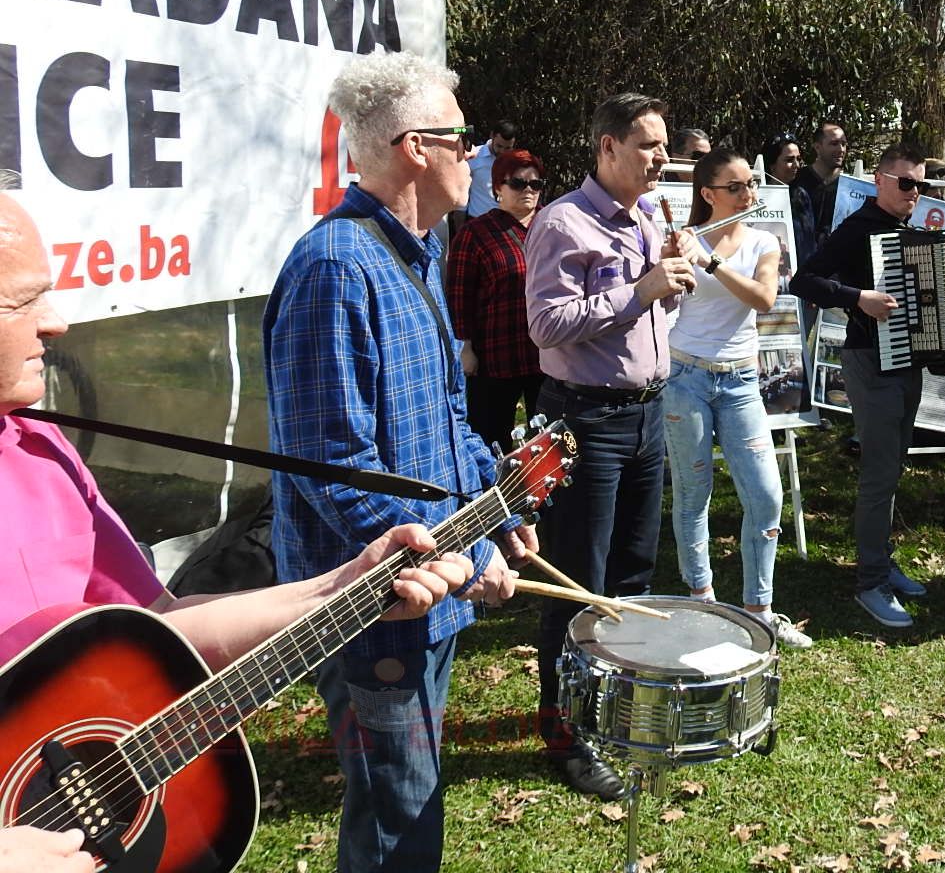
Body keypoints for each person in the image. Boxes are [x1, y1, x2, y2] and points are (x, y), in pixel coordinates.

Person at [0, 178, 475, 871]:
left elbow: (160, 626)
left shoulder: (41, 451)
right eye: (23, 301)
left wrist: (343, 587)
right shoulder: (335, 261)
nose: (58, 322)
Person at [266, 54, 535, 873]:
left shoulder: (416, 251)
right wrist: (463, 557)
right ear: (418, 147)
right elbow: (333, 468)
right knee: (398, 817)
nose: (476, 155)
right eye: (464, 138)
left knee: (409, 801)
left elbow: (446, 416)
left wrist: (497, 506)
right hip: (370, 606)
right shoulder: (336, 267)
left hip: (429, 589)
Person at [523, 92, 699, 798]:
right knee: (577, 583)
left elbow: (654, 311)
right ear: (608, 146)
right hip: (585, 422)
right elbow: (545, 324)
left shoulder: (649, 216)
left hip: (646, 415)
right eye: (650, 145)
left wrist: (672, 279)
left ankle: (614, 709)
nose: (662, 158)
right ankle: (565, 733)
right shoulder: (562, 222)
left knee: (631, 575)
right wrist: (641, 289)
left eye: (664, 146)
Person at [662, 149, 813, 648]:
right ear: (708, 194)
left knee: (767, 496)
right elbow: (662, 297)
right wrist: (673, 256)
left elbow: (764, 299)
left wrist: (711, 261)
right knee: (693, 493)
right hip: (685, 376)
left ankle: (759, 611)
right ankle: (701, 602)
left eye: (752, 183)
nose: (749, 193)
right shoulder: (685, 238)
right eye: (737, 186)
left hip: (741, 381)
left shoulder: (763, 241)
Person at [791, 144, 936, 628]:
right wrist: (857, 298)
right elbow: (804, 280)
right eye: (906, 183)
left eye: (920, 185)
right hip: (868, 361)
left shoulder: (909, 229)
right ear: (879, 180)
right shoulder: (857, 228)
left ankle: (881, 560)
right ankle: (870, 582)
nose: (914, 192)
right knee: (878, 473)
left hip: (906, 361)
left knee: (892, 468)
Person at [446, 148, 547, 454]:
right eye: (517, 183)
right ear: (497, 188)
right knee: (491, 440)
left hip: (548, 353)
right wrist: (465, 347)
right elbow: (459, 294)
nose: (527, 190)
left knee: (546, 442)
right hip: (496, 354)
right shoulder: (475, 234)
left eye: (535, 184)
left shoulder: (554, 226)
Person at [763, 136, 817, 268]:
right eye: (789, 160)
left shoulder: (801, 195)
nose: (796, 165)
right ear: (772, 164)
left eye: (798, 159)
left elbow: (809, 242)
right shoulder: (757, 198)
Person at [795, 121, 848, 238]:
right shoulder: (797, 180)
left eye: (844, 144)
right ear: (817, 147)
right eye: (834, 143)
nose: (841, 149)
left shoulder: (849, 188)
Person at [465, 119, 517, 218]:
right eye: (499, 146)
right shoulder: (474, 156)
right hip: (476, 220)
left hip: (504, 221)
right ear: (492, 135)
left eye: (507, 148)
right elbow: (463, 191)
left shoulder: (516, 163)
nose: (502, 151)